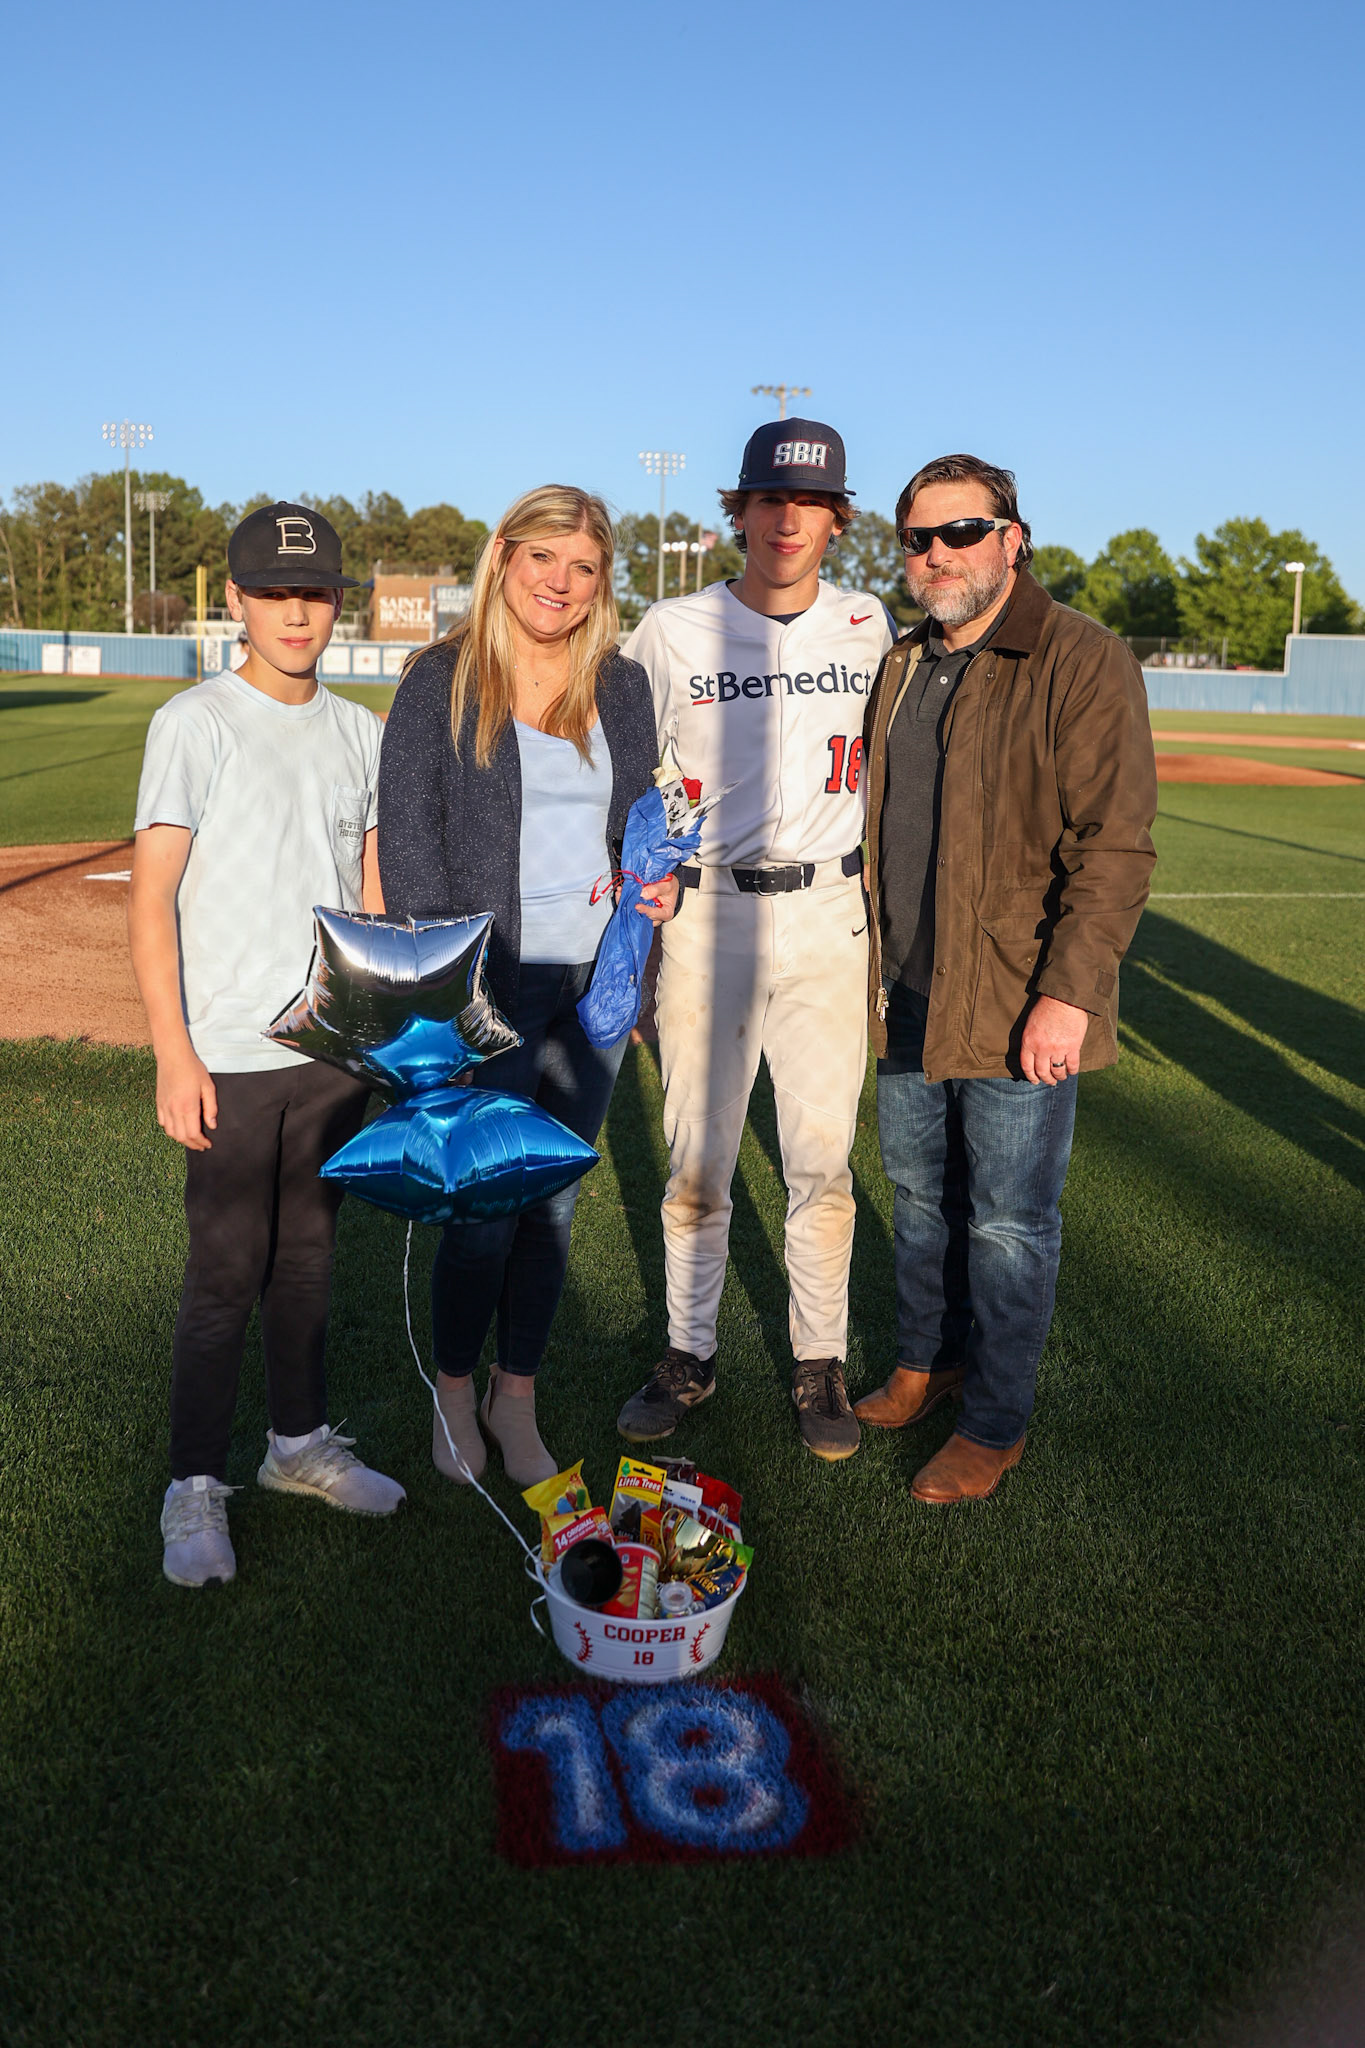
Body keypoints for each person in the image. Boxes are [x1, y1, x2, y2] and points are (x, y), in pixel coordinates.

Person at [856, 454, 1158, 1501]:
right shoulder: (901, 663)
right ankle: (925, 1362)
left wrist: (1068, 993)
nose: (937, 555)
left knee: (1008, 1220)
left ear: (1013, 537)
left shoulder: (1079, 657)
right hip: (905, 989)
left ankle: (994, 1418)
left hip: (1019, 999)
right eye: (918, 538)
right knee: (918, 1198)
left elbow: (1114, 847)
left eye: (962, 531)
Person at [129, 502, 406, 1591]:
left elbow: (369, 893)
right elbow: (152, 901)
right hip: (230, 1055)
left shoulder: (359, 730)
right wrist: (173, 1052)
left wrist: (387, 1028)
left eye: (317, 590)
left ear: (339, 599)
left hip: (331, 1051)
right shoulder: (194, 723)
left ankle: (296, 1445)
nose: (298, 611)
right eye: (275, 591)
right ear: (235, 599)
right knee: (224, 1270)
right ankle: (190, 1483)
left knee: (307, 1261)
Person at [377, 485, 677, 1489]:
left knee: (550, 1203)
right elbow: (411, 835)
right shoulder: (442, 677)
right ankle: (453, 1391)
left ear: (602, 582)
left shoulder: (623, 685)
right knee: (486, 1207)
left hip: (592, 985)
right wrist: (445, 991)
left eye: (583, 565)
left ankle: (518, 1396)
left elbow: (639, 832)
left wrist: (650, 929)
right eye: (544, 557)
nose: (561, 582)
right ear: (504, 557)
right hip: (488, 983)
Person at [614, 420, 895, 1460]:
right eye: (769, 499)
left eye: (810, 501)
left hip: (830, 913)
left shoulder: (870, 626)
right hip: (707, 910)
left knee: (822, 1160)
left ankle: (818, 1358)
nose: (788, 518)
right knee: (699, 1156)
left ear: (836, 518)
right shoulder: (671, 628)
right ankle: (689, 1351)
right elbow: (620, 769)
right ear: (738, 510)